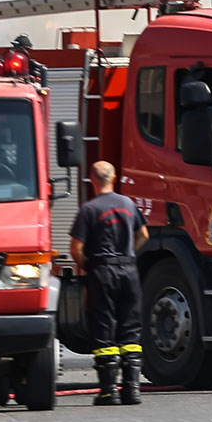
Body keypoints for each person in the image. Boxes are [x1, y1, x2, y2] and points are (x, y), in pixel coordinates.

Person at [69, 161, 150, 405]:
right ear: (114, 178)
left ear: (92, 180)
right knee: (130, 328)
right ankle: (132, 389)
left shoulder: (89, 209)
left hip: (102, 271)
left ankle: (108, 391)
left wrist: (87, 265)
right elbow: (144, 235)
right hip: (129, 269)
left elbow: (77, 247)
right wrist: (128, 255)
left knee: (104, 328)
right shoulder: (128, 204)